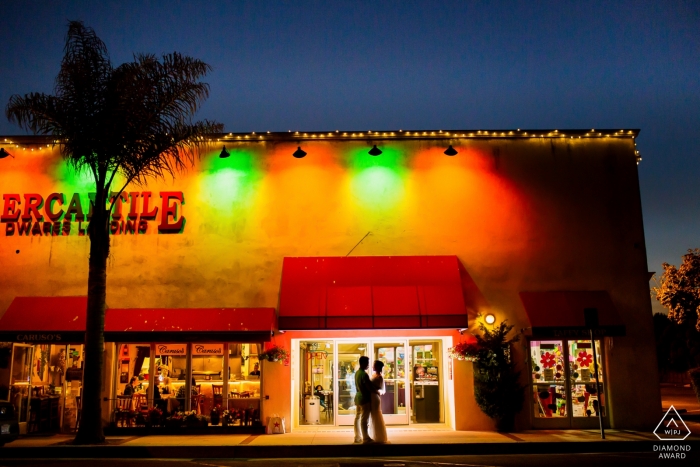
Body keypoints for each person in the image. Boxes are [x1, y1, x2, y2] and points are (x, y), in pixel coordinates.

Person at [353, 356, 378, 444]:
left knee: (357, 417)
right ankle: (366, 438)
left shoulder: (357, 373)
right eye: (367, 363)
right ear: (363, 363)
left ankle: (357, 437)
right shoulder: (364, 374)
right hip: (364, 398)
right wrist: (376, 392)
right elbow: (369, 387)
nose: (368, 365)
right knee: (364, 419)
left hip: (358, 397)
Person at [368, 360, 388, 443]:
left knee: (376, 415)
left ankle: (379, 436)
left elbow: (379, 389)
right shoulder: (374, 375)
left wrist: (371, 389)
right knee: (373, 415)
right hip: (372, 396)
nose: (372, 366)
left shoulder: (379, 377)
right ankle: (374, 434)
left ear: (378, 367)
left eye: (374, 365)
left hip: (375, 397)